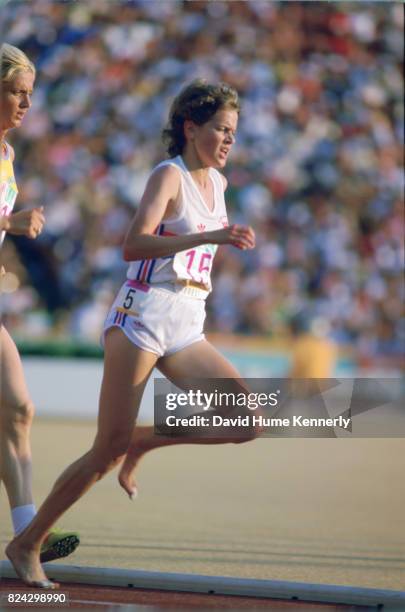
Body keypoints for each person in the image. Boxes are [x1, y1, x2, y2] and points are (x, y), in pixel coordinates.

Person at [6, 79, 262, 588]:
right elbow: (133, 245)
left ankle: (145, 442)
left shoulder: (221, 183)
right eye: (222, 129)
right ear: (191, 128)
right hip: (142, 314)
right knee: (105, 452)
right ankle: (27, 542)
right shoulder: (168, 176)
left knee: (247, 419)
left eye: (234, 131)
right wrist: (212, 235)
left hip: (189, 318)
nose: (230, 140)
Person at [0, 43, 80, 570]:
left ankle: (26, 537)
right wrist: (9, 224)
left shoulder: (6, 156)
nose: (26, 103)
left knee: (18, 409)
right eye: (15, 92)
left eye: (30, 94)